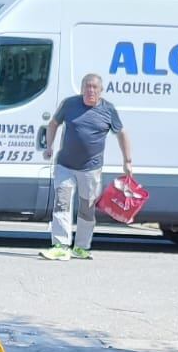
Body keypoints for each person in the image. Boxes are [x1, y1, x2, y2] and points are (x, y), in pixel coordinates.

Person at [41, 73, 132, 262]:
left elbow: (121, 133)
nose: (90, 90)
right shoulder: (69, 104)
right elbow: (53, 124)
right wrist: (49, 146)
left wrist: (127, 161)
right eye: (87, 86)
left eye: (94, 87)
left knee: (87, 209)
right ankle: (60, 246)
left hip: (91, 169)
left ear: (101, 90)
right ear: (82, 88)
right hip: (65, 166)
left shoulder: (108, 110)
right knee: (62, 203)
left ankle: (81, 247)